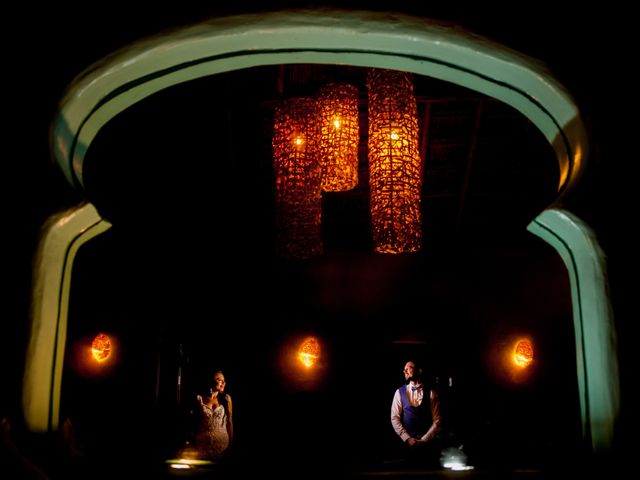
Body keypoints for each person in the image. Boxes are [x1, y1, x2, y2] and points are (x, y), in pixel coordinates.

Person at [391, 360, 442, 463]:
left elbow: (437, 420)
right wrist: (408, 438)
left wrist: (424, 440)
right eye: (404, 369)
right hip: (406, 447)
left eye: (408, 368)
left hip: (428, 448)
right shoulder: (399, 392)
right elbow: (394, 418)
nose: (404, 370)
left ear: (419, 371)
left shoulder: (431, 393)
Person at [194, 370, 233, 459]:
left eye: (224, 380)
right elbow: (194, 423)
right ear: (211, 381)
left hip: (222, 448)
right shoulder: (199, 399)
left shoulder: (226, 399)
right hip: (202, 448)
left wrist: (231, 446)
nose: (223, 382)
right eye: (219, 380)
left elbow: (230, 422)